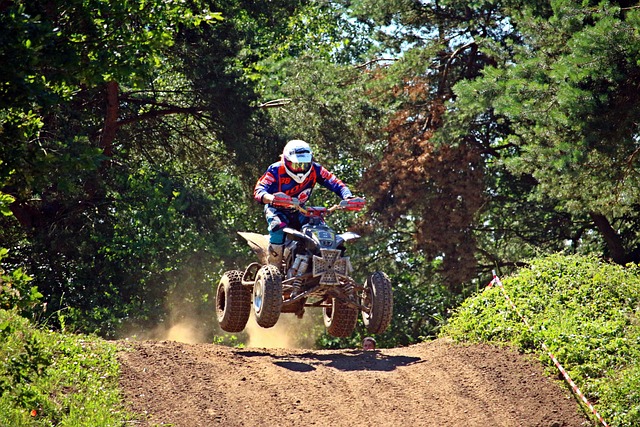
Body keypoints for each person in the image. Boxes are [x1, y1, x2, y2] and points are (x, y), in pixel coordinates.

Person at [254, 139, 359, 266]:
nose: (301, 169)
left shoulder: (316, 169)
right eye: (297, 165)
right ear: (286, 161)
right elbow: (259, 189)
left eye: (304, 165)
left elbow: (336, 183)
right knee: (278, 226)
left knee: (320, 227)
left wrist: (348, 197)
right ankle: (273, 269)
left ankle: (332, 264)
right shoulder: (276, 170)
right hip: (276, 209)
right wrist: (271, 198)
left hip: (300, 209)